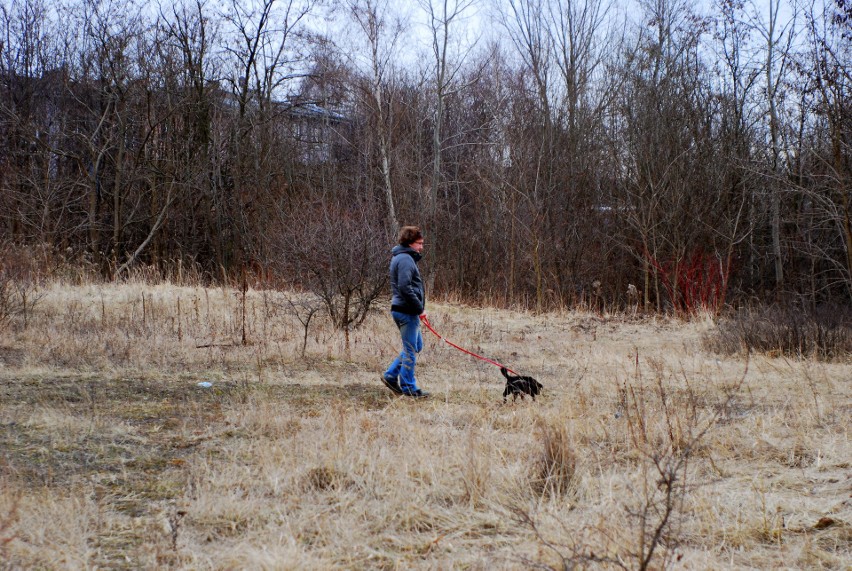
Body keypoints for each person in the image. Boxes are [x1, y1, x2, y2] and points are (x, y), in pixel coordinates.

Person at [381, 226, 429, 398]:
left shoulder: (404, 258)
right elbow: (405, 287)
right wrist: (419, 309)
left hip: (405, 310)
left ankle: (390, 375)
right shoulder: (405, 260)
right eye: (419, 243)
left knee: (416, 346)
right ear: (409, 242)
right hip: (406, 311)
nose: (421, 247)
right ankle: (409, 388)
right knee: (410, 350)